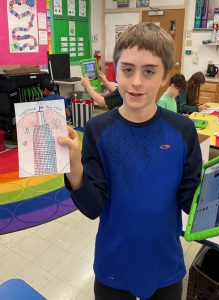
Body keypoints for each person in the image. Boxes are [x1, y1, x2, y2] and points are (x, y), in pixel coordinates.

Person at [58, 23, 202, 300]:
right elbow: (92, 206)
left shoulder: (182, 131)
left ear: (165, 77)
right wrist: (74, 164)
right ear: (116, 71)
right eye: (127, 70)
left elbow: (190, 199)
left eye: (149, 71)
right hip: (114, 267)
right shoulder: (99, 130)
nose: (136, 81)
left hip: (165, 267)